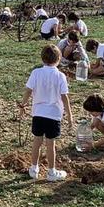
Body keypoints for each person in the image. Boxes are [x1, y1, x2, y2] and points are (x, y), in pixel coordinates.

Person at [19, 44, 74, 182]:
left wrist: (23, 105)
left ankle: (34, 168)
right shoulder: (60, 76)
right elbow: (64, 97)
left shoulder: (36, 73)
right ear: (59, 59)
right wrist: (69, 116)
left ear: (42, 58)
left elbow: (28, 90)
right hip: (53, 115)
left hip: (38, 113)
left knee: (37, 141)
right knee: (51, 144)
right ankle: (51, 171)